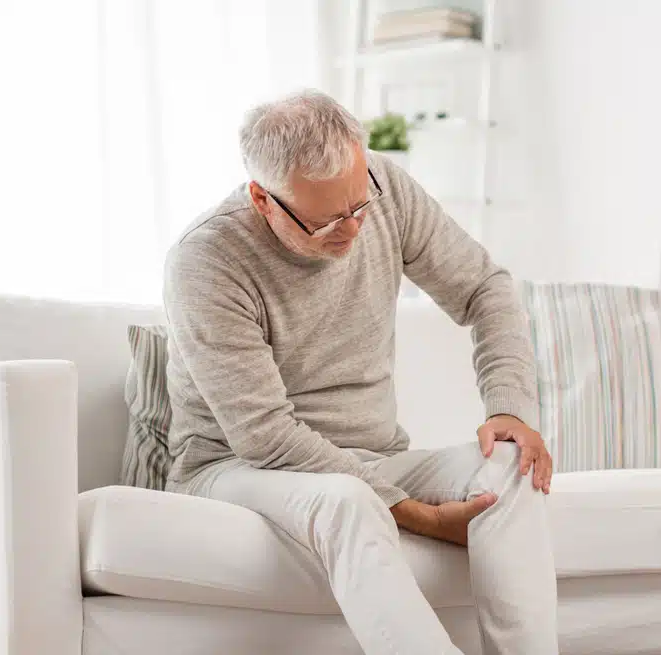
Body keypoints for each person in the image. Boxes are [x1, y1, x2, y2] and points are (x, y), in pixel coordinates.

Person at [162, 89, 558, 655]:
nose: (352, 231)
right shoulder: (206, 259)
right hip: (236, 467)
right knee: (348, 500)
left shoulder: (383, 184)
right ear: (263, 199)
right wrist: (417, 515)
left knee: (513, 465)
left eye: (359, 206)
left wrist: (509, 408)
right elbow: (265, 436)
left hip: (374, 455)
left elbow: (484, 287)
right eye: (325, 223)